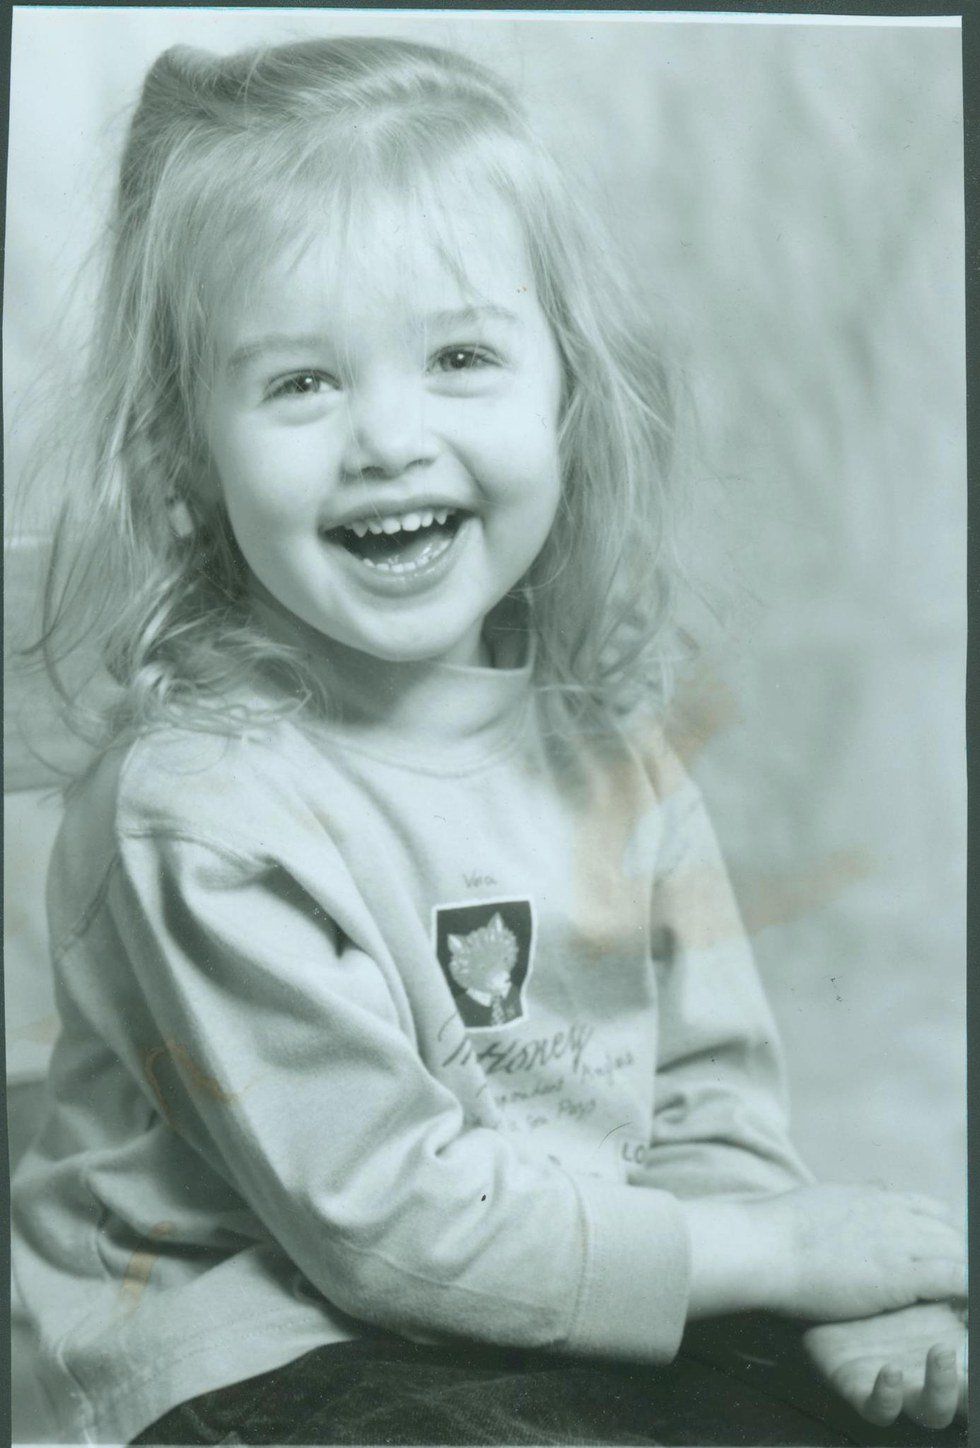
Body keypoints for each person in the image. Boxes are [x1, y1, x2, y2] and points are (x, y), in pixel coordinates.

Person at [11, 35, 966, 1447]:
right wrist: (781, 1254)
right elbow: (384, 1227)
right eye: (301, 383)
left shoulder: (612, 759)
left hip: (556, 1311)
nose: (388, 439)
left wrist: (809, 1288)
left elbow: (706, 1111)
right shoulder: (203, 807)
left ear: (568, 397)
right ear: (186, 455)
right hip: (255, 1346)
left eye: (460, 356)